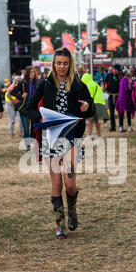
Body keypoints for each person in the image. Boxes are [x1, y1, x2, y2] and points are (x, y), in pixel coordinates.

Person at [26, 47, 95, 239]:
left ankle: (72, 210)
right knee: (56, 183)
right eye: (58, 63)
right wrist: (40, 121)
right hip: (51, 137)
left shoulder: (79, 84)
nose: (62, 66)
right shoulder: (45, 84)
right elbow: (29, 108)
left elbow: (90, 109)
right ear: (53, 64)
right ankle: (60, 224)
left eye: (65, 63)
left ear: (70, 64)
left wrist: (87, 106)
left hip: (72, 137)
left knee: (70, 181)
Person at [81, 72, 108, 139]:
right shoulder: (95, 84)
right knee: (96, 121)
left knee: (90, 120)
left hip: (94, 104)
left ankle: (90, 135)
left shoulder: (89, 85)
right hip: (99, 103)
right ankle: (99, 135)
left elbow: (89, 97)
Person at [105, 64, 122, 131]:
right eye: (115, 70)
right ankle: (113, 127)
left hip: (118, 96)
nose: (116, 71)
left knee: (120, 111)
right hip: (111, 95)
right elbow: (105, 83)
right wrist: (106, 88)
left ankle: (121, 126)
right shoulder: (109, 75)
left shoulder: (121, 76)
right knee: (111, 112)